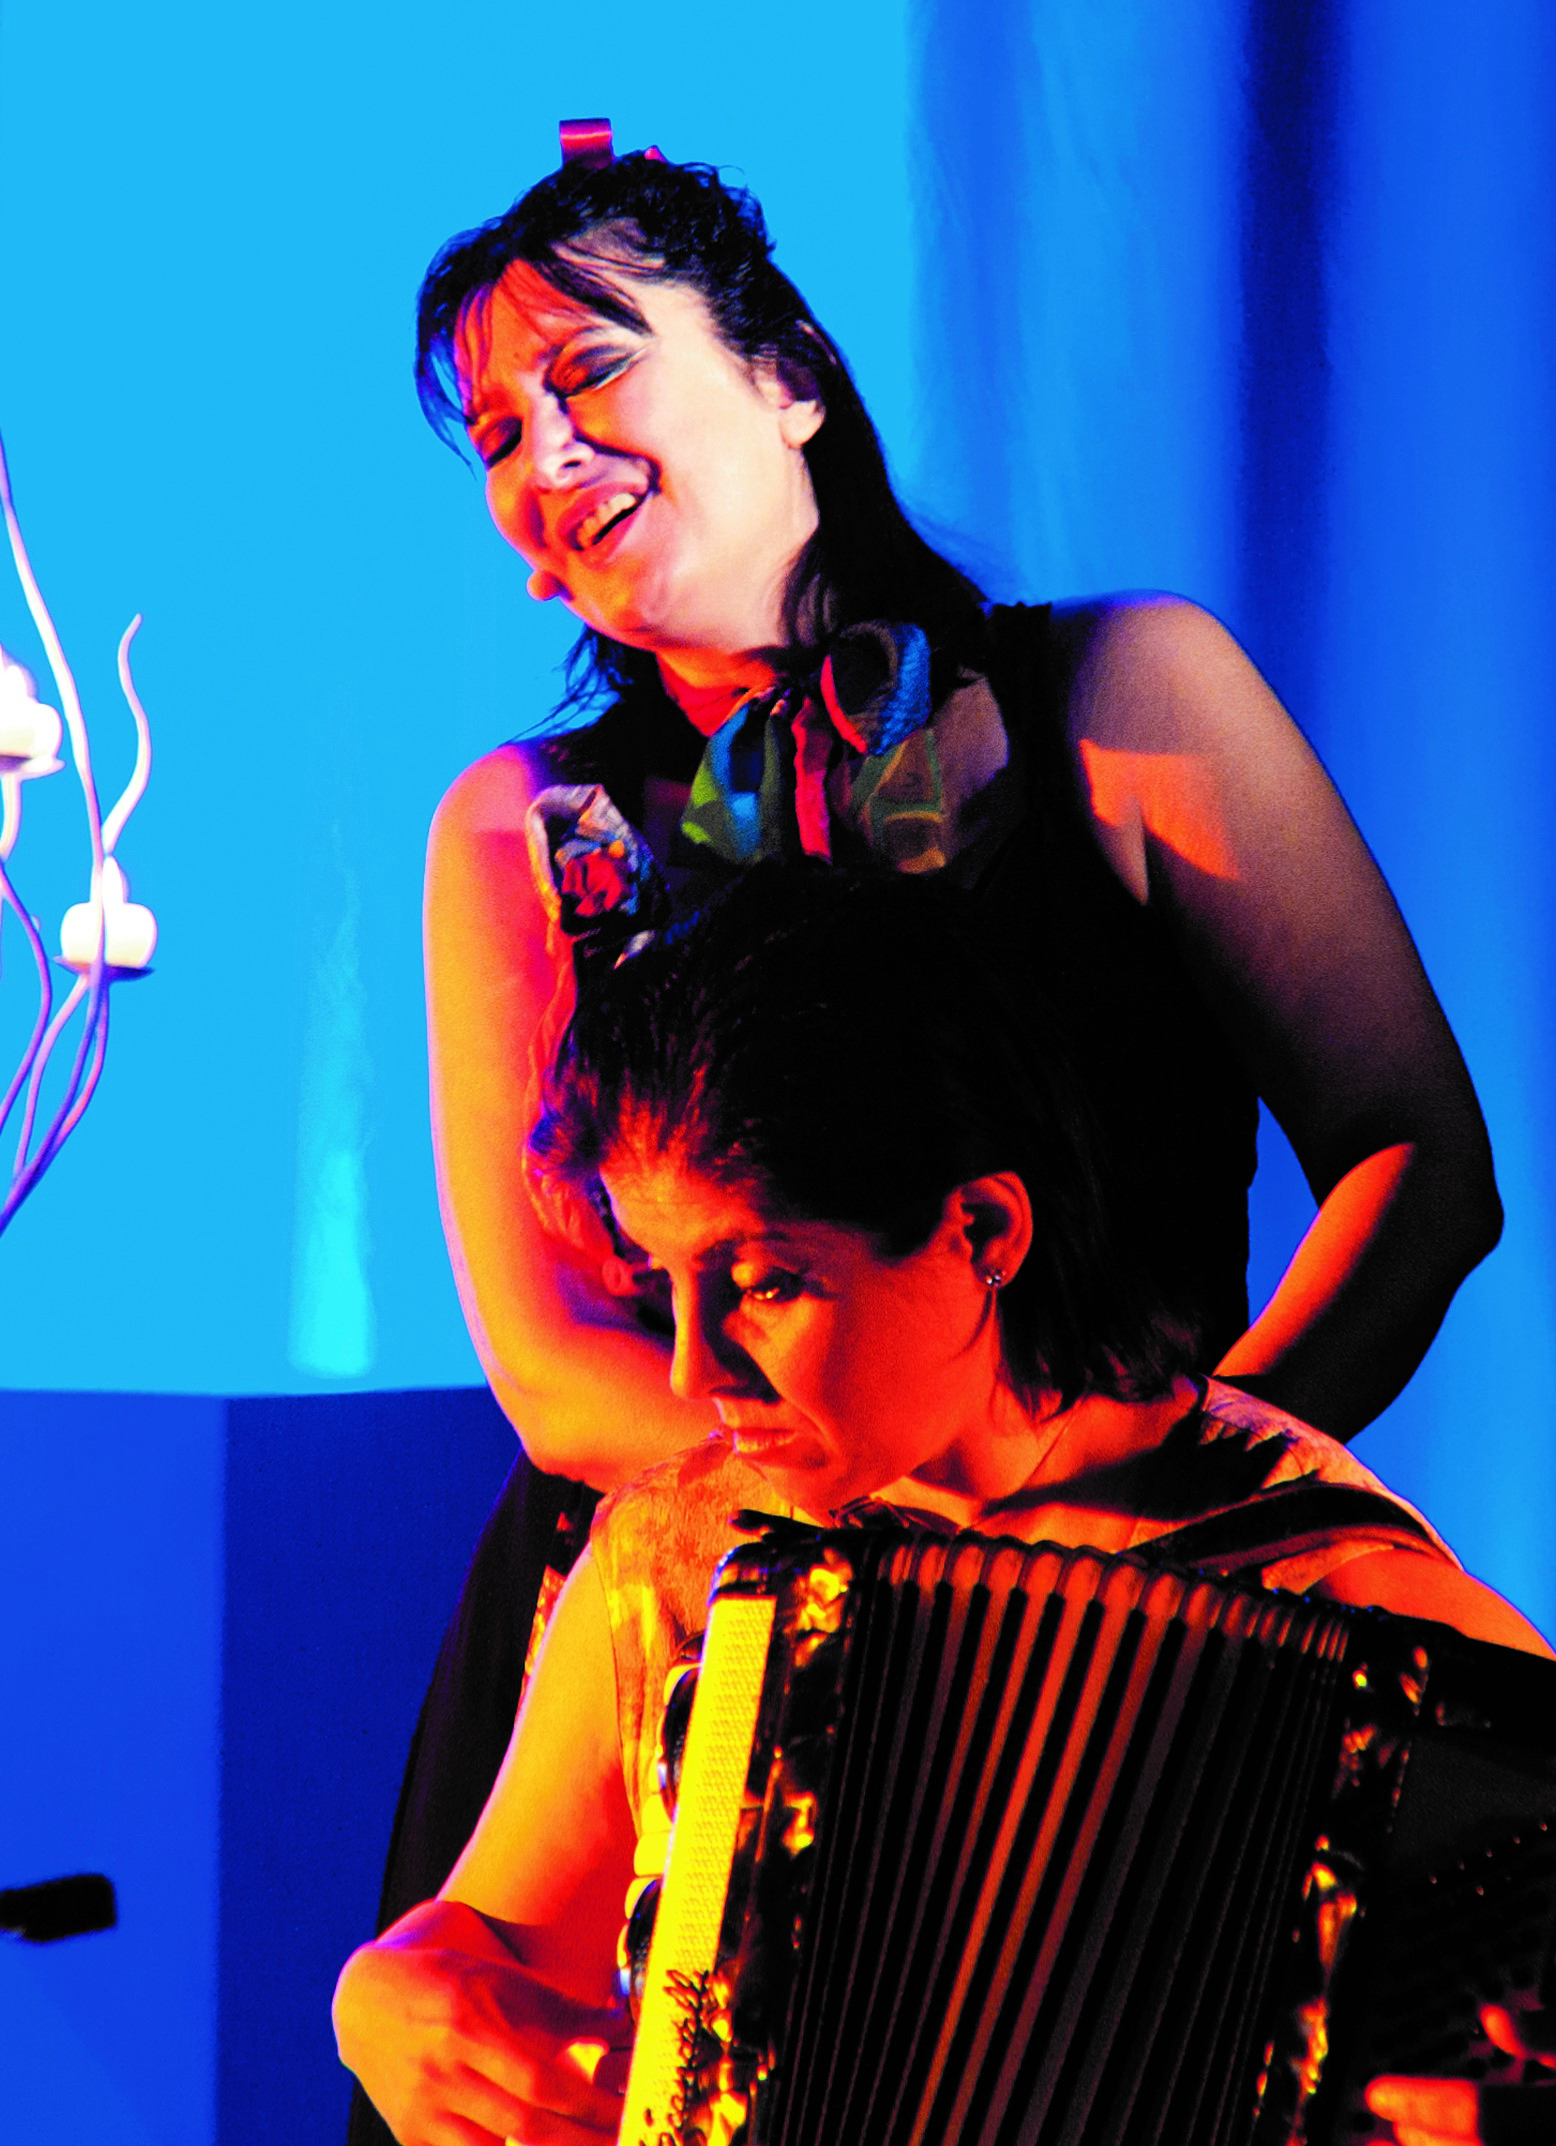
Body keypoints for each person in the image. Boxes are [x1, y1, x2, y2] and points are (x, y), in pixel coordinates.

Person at [344, 128, 1506, 2146]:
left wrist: (1163, 1510)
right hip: (670, 1650)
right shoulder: (528, 831)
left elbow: (1414, 1157)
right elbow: (553, 1362)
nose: (545, 452)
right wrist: (830, 1536)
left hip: (1147, 1609)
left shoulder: (1123, 693)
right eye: (501, 436)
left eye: (591, 371)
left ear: (788, 374)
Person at [334, 866, 1548, 2146]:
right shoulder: (676, 1561)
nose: (691, 1370)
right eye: (661, 1281)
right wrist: (385, 1996)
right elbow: (484, 1951)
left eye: (764, 1281)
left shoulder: (1361, 1613)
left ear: (981, 1229)